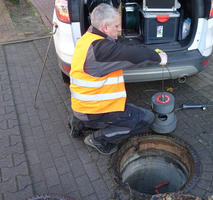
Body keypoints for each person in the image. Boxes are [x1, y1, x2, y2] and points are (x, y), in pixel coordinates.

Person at [68, 3, 167, 155]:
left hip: (83, 106)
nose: (120, 29)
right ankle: (97, 138)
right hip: (95, 110)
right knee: (145, 119)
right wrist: (157, 57)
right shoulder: (100, 50)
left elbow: (119, 49)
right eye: (117, 25)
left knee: (131, 113)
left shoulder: (87, 38)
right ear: (105, 27)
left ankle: (80, 123)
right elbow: (132, 55)